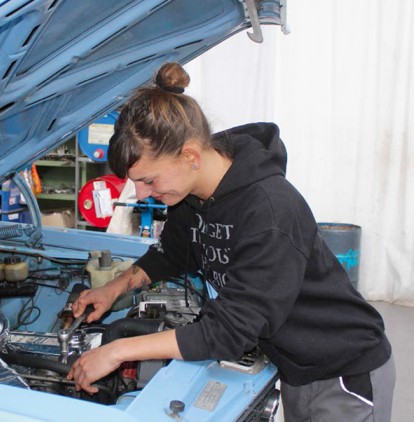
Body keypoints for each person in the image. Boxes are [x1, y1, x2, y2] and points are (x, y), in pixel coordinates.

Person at [67, 62, 395, 421]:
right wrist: (114, 288)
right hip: (297, 365)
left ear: (190, 155)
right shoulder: (190, 197)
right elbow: (171, 254)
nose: (144, 193)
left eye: (149, 180)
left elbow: (229, 332)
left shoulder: (270, 211)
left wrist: (119, 351)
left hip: (344, 367)